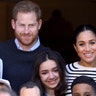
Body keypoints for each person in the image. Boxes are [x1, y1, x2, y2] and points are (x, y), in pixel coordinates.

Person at [0, 0, 50, 94]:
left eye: (31, 25)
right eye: (22, 25)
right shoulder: (1, 51)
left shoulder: (49, 56)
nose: (26, 31)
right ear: (13, 24)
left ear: (39, 24)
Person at [65, 24, 96, 96]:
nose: (88, 49)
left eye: (92, 43)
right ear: (75, 48)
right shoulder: (66, 71)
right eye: (81, 44)